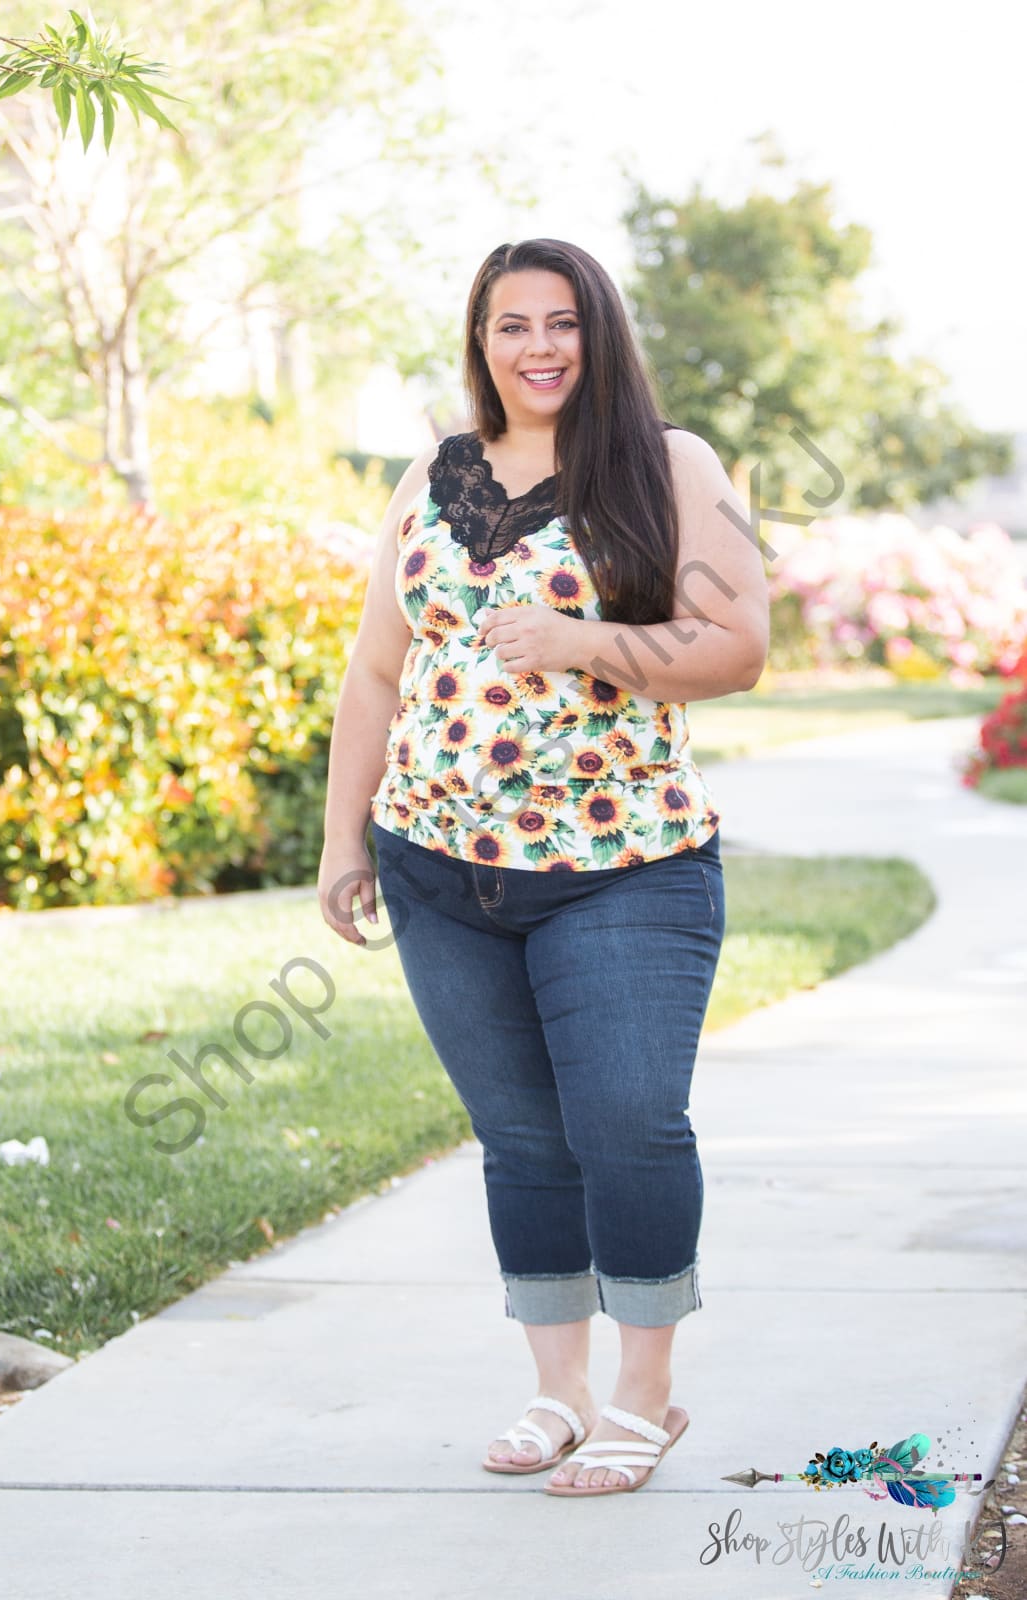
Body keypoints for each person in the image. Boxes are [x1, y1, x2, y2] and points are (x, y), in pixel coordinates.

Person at [318, 237, 769, 1497]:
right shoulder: (430, 472)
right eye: (510, 325)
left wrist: (582, 639)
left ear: (598, 332)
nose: (538, 348)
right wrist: (342, 836)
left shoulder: (668, 464)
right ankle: (557, 1391)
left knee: (623, 1120)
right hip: (436, 865)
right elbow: (373, 668)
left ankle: (644, 1396)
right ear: (480, 341)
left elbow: (736, 646)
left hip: (622, 859)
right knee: (520, 1139)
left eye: (561, 322)